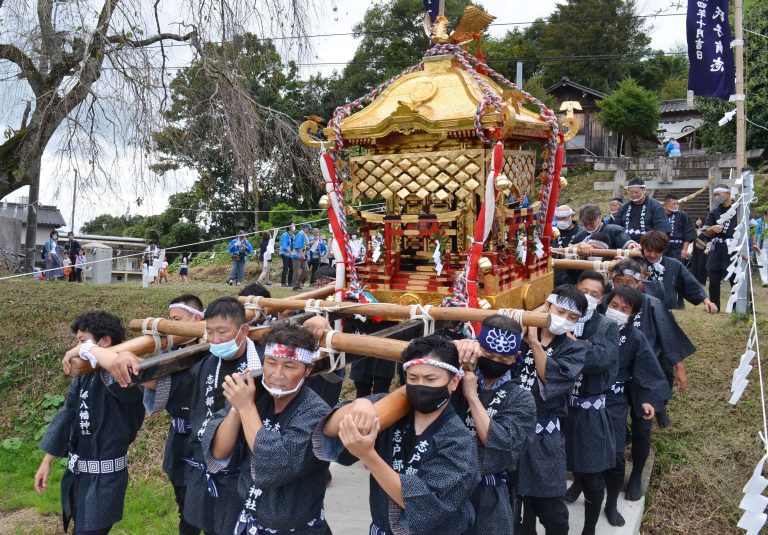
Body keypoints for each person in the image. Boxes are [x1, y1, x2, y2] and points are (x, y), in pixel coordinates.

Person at [315, 335, 481, 535]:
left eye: (431, 379)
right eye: (413, 378)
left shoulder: (459, 441)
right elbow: (329, 428)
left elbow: (425, 505)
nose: (421, 385)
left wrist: (368, 455)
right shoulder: (391, 409)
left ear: (453, 382)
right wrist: (359, 405)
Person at [203, 323, 333, 534]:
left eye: (290, 366)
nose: (277, 374)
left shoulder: (316, 412)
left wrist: (246, 408)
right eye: (271, 363)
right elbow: (219, 452)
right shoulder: (254, 395)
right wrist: (237, 408)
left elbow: (272, 464)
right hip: (249, 520)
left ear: (307, 370)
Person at [35, 312, 145, 534]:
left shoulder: (126, 372)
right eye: (77, 342)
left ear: (104, 341)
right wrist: (47, 460)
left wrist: (83, 350)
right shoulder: (84, 374)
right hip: (79, 474)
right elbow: (69, 415)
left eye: (82, 340)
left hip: (105, 480)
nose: (78, 347)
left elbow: (119, 377)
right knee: (79, 526)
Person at [609, 260, 695, 500]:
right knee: (610, 423)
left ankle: (636, 475)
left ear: (640, 282)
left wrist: (680, 368)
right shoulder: (609, 305)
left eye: (630, 283)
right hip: (614, 375)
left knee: (642, 427)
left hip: (645, 374)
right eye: (619, 282)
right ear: (612, 282)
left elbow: (669, 337)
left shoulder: (652, 304)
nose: (625, 287)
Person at [452, 315, 536, 535]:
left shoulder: (521, 398)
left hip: (490, 490)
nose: (494, 361)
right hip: (447, 481)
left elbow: (497, 442)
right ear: (477, 347)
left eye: (504, 358)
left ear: (516, 357)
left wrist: (471, 396)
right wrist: (452, 349)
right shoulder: (455, 376)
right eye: (488, 355)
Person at [517, 285, 587, 535]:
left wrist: (535, 343)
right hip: (511, 434)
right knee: (514, 508)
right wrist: (529, 325)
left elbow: (552, 379)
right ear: (547, 306)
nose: (565, 320)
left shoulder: (575, 348)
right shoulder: (517, 334)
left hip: (544, 439)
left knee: (552, 510)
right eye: (561, 311)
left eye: (573, 318)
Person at [600, 286, 670, 527]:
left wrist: (648, 399)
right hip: (586, 400)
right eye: (614, 306)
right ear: (605, 304)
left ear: (632, 314)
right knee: (583, 447)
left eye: (624, 309)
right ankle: (579, 484)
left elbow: (646, 370)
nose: (617, 312)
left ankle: (610, 503)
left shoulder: (635, 337)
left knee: (617, 454)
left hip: (616, 400)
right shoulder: (589, 328)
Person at [562, 272, 620, 535]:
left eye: (594, 294)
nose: (587, 296)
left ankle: (589, 529)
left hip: (589, 411)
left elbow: (600, 360)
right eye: (583, 290)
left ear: (601, 298)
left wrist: (573, 344)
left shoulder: (606, 326)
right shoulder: (560, 319)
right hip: (560, 408)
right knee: (562, 465)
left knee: (593, 476)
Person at [167, 295, 206, 535]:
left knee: (210, 504)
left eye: (176, 320)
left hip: (207, 439)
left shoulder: (216, 352)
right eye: (169, 320)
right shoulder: (170, 351)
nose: (171, 325)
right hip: (179, 437)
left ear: (197, 319)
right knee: (184, 501)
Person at [639, 231, 717, 313]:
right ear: (643, 248)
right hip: (641, 310)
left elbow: (690, 283)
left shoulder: (674, 264)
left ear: (663, 249)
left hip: (666, 312)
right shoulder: (636, 263)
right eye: (649, 251)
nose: (652, 255)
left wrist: (706, 301)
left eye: (657, 251)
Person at [705, 185, 738, 311]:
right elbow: (706, 231)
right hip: (717, 247)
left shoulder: (738, 209)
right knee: (713, 279)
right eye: (715, 195)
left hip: (733, 247)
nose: (716, 197)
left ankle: (737, 307)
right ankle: (714, 306)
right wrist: (712, 229)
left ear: (728, 194)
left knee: (735, 278)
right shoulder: (714, 212)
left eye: (719, 194)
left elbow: (750, 227)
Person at [552, 205, 588, 286]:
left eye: (564, 218)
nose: (560, 221)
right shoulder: (553, 232)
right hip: (554, 277)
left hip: (573, 279)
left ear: (572, 216)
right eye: (558, 218)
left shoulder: (582, 232)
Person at [663, 193, 696, 262]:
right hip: (662, 248)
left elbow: (688, 232)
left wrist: (684, 249)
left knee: (677, 270)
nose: (676, 206)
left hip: (678, 249)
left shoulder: (682, 215)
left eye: (677, 203)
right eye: (674, 204)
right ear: (666, 204)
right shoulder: (659, 214)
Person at [690, 218, 709, 285]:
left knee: (702, 265)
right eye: (697, 220)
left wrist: (707, 248)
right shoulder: (694, 230)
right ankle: (694, 280)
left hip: (703, 250)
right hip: (695, 250)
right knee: (694, 264)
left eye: (699, 219)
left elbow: (709, 240)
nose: (698, 221)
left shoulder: (706, 230)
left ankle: (701, 281)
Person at [292, 224, 311, 291]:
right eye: (308, 229)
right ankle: (295, 286)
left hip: (303, 255)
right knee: (296, 271)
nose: (309, 230)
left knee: (306, 270)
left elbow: (303, 245)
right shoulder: (300, 234)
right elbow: (297, 246)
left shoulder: (304, 235)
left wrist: (307, 247)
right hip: (297, 255)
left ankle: (299, 283)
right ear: (304, 228)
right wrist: (301, 254)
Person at [753, 208, 768, 287]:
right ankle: (765, 281)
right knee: (763, 262)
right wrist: (754, 243)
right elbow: (754, 233)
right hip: (761, 244)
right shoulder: (759, 221)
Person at [279, 223, 295, 287]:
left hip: (290, 254)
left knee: (292, 268)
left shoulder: (293, 235)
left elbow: (293, 244)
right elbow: (284, 246)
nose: (294, 226)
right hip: (284, 253)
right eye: (293, 225)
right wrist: (290, 252)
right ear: (289, 226)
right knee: (286, 267)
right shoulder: (285, 235)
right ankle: (283, 283)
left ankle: (290, 282)